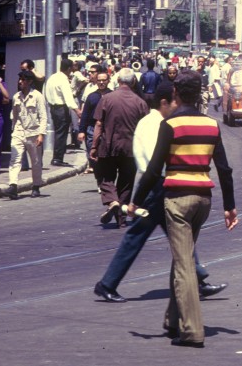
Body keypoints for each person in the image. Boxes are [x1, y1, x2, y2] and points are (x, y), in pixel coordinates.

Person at [130, 72, 238, 348]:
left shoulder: (170, 125)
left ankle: (192, 332)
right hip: (203, 200)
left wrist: (135, 201)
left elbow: (154, 169)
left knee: (184, 264)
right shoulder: (212, 126)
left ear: (176, 92)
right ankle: (172, 319)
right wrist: (230, 207)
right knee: (184, 257)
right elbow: (224, 170)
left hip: (178, 199)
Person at [93, 83, 224, 304]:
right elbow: (157, 162)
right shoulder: (156, 124)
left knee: (178, 233)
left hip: (158, 185)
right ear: (164, 103)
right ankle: (107, 284)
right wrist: (139, 199)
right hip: (157, 186)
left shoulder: (152, 122)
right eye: (174, 101)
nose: (177, 105)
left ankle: (199, 279)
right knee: (143, 236)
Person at [91, 67, 149, 228]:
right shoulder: (140, 103)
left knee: (105, 178)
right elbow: (146, 129)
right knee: (126, 183)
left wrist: (94, 146)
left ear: (117, 81)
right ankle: (121, 219)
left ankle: (112, 201)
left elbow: (98, 124)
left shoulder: (107, 99)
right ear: (134, 82)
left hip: (108, 146)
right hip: (131, 149)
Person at [7, 70, 47, 200]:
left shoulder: (37, 96)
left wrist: (41, 134)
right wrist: (13, 130)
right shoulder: (16, 97)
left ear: (30, 81)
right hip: (19, 132)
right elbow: (14, 115)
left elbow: (43, 116)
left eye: (23, 79)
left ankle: (36, 186)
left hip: (34, 133)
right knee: (15, 159)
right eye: (20, 79)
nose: (20, 82)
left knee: (35, 162)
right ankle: (13, 185)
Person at [44, 58, 78, 167]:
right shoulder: (63, 80)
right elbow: (69, 98)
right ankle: (57, 158)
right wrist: (78, 111)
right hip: (61, 108)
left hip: (53, 108)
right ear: (68, 68)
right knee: (61, 134)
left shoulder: (52, 77)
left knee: (59, 133)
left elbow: (46, 93)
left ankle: (57, 157)